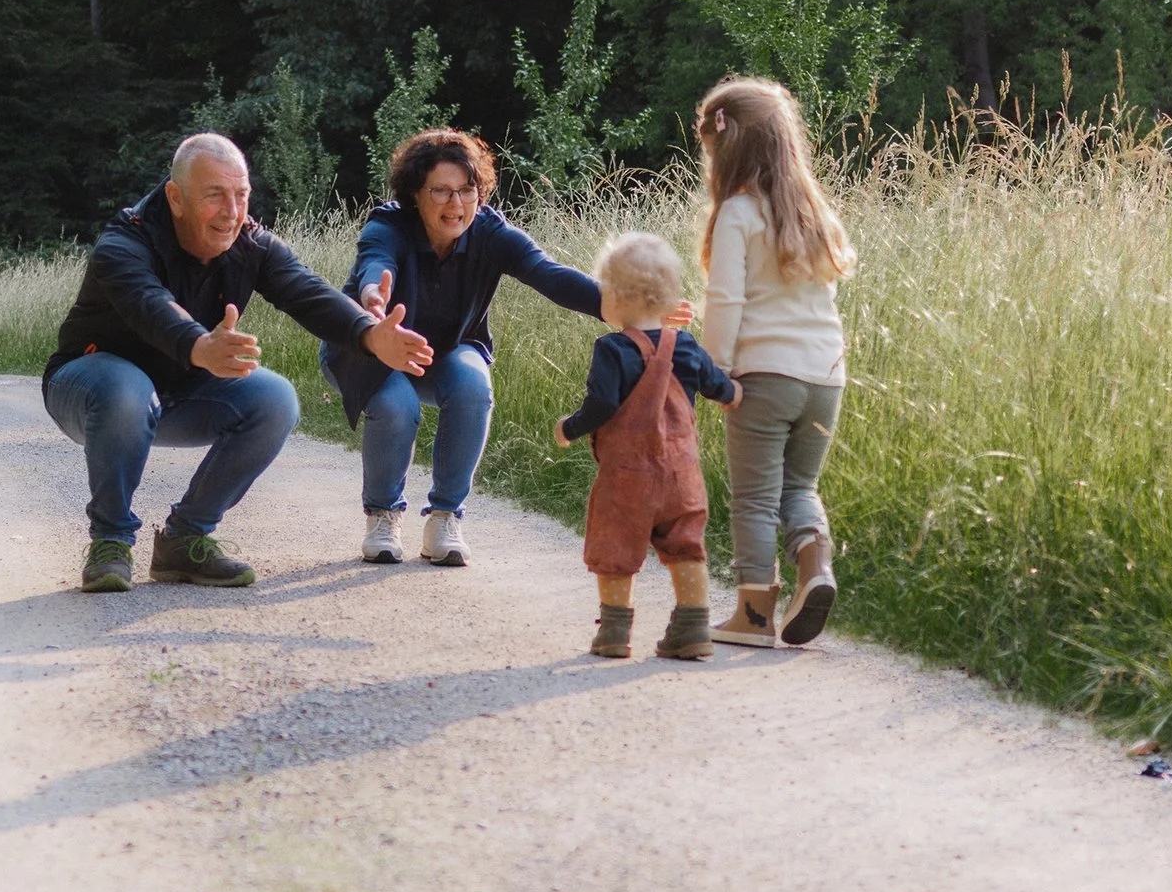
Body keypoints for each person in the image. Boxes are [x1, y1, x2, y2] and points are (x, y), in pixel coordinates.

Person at [45, 133, 434, 592]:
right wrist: (198, 344)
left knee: (274, 398)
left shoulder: (251, 242)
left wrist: (369, 335)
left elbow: (306, 291)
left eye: (242, 195)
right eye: (215, 195)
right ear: (175, 197)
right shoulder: (125, 240)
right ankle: (110, 541)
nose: (232, 211)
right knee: (126, 388)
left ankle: (185, 539)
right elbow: (148, 302)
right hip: (91, 387)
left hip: (180, 387)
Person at [321, 129, 606, 569]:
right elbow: (377, 262)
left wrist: (627, 307)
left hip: (448, 350)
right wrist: (374, 299)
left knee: (474, 386)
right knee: (398, 406)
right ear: (416, 194)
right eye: (441, 191)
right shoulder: (388, 225)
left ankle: (445, 518)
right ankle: (382, 514)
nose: (456, 204)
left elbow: (548, 274)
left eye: (467, 190)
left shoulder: (492, 233)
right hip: (372, 348)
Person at [693, 78, 855, 649]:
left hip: (763, 375)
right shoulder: (816, 214)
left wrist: (715, 371)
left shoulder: (739, 213)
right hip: (824, 376)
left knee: (755, 497)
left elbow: (726, 300)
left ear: (728, 145)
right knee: (800, 487)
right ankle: (815, 570)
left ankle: (754, 615)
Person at [552, 232, 741, 661]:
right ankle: (692, 626)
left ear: (614, 297)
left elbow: (601, 404)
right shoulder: (687, 346)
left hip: (627, 478)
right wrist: (735, 395)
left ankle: (615, 632)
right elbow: (717, 385)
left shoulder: (612, 350)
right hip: (681, 474)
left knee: (615, 547)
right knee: (685, 544)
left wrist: (569, 427)